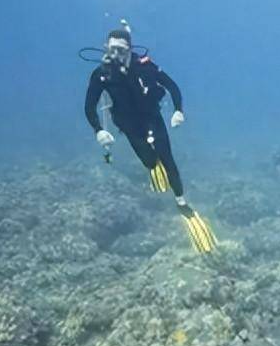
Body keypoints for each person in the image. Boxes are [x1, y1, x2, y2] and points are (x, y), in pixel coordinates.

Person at [83, 25, 217, 253]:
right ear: (106, 47)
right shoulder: (101, 74)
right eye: (112, 49)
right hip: (128, 125)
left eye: (121, 49)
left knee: (168, 159)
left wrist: (178, 110)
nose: (116, 54)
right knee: (149, 160)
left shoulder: (145, 66)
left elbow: (172, 86)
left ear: (130, 49)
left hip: (152, 118)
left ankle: (182, 203)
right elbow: (89, 106)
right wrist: (98, 130)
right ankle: (153, 166)